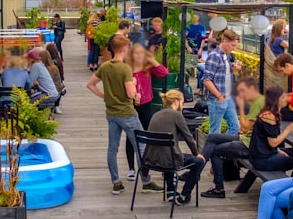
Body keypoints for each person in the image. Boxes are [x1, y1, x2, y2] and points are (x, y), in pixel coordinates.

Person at [87, 34, 160, 195]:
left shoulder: (105, 66)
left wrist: (103, 96)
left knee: (112, 148)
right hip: (127, 114)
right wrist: (134, 87)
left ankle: (116, 182)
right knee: (141, 145)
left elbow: (90, 84)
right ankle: (146, 181)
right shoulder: (125, 68)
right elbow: (130, 93)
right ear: (124, 49)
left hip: (111, 113)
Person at [200, 76, 265, 198]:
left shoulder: (258, 103)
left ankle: (218, 188)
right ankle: (199, 167)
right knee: (212, 137)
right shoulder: (259, 101)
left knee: (215, 150)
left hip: (250, 145)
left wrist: (240, 107)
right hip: (247, 139)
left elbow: (245, 127)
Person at [144, 90, 206, 205]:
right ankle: (184, 195)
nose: (182, 106)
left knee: (169, 151)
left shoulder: (155, 114)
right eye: (182, 103)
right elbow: (188, 137)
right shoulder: (176, 115)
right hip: (169, 161)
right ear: (176, 102)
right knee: (199, 162)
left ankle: (171, 191)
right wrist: (197, 154)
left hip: (150, 160)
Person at [124, 43, 170, 179]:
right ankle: (131, 168)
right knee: (131, 136)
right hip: (131, 106)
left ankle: (150, 164)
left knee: (149, 134)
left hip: (146, 104)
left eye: (141, 53)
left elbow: (164, 72)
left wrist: (152, 60)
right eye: (136, 53)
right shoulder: (128, 69)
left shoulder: (147, 68)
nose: (139, 56)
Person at [248, 86, 293, 173]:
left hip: (262, 154)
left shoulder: (270, 113)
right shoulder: (270, 117)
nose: (286, 99)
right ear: (276, 100)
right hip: (262, 160)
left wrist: (278, 150)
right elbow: (273, 143)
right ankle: (292, 184)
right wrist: (288, 130)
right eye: (283, 97)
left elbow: (266, 140)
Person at [202, 29, 241, 137]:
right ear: (224, 41)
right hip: (217, 99)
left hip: (227, 97)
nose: (234, 48)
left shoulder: (226, 55)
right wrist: (219, 95)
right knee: (215, 130)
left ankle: (220, 148)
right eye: (233, 45)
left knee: (235, 127)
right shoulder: (214, 56)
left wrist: (234, 68)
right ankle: (211, 152)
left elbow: (223, 72)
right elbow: (206, 79)